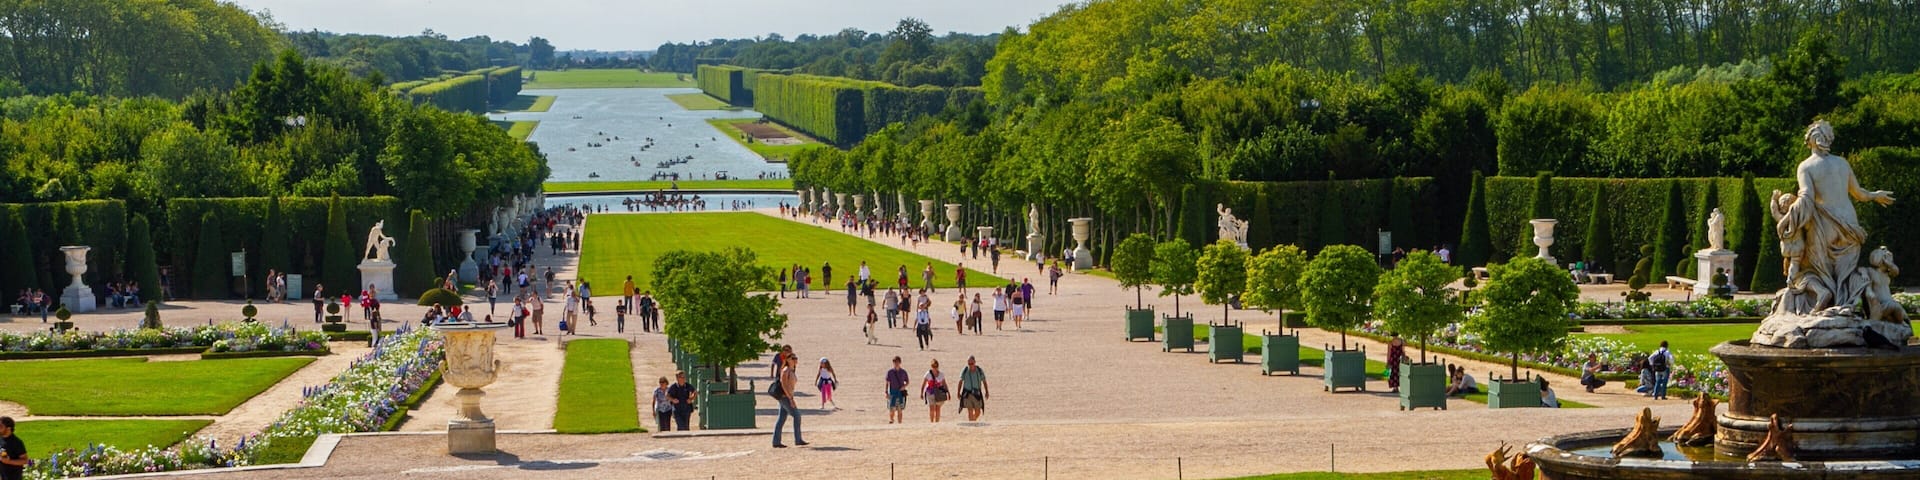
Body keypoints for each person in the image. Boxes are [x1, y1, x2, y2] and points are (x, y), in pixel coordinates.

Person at [771, 353, 806, 447]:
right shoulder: (786, 370)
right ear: (787, 360)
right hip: (785, 396)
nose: (795, 360)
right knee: (797, 415)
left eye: (795, 358)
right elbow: (784, 385)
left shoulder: (791, 370)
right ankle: (797, 439)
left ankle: (776, 442)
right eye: (792, 358)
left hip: (787, 396)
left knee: (781, 418)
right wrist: (790, 398)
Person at [958, 356, 989, 421]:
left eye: (972, 363)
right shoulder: (965, 370)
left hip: (977, 393)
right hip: (967, 394)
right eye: (969, 364)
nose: (970, 365)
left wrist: (987, 391)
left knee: (978, 412)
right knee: (970, 411)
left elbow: (984, 381)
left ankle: (973, 421)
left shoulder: (979, 371)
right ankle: (971, 425)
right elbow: (960, 381)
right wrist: (958, 392)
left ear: (975, 362)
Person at [885, 357, 910, 424]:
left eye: (897, 362)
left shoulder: (903, 372)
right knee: (892, 408)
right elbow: (887, 383)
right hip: (892, 392)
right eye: (895, 362)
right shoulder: (890, 372)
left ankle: (899, 423)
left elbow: (907, 381)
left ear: (900, 363)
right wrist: (886, 392)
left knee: (899, 409)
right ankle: (892, 419)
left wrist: (904, 387)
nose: (896, 364)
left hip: (900, 392)